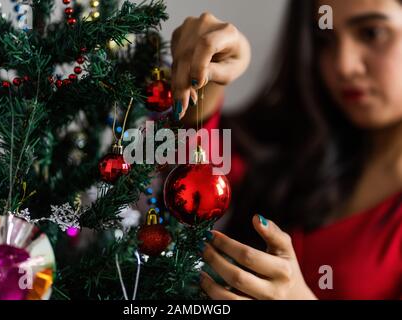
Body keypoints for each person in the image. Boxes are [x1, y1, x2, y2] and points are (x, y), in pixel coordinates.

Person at [170, 0, 402, 300]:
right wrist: (208, 74)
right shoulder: (294, 145)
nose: (344, 65)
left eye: (371, 33)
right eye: (324, 40)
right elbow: (184, 181)